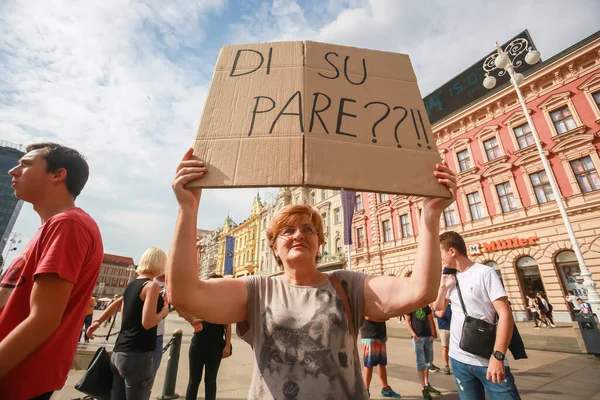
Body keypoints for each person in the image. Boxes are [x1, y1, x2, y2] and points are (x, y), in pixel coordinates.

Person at [166, 149, 457, 399]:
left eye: (308, 229)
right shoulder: (257, 290)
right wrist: (186, 210)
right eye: (288, 230)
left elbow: (420, 291)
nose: (298, 235)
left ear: (320, 243)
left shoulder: (347, 285)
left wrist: (429, 216)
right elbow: (186, 295)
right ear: (273, 247)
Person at [0, 143, 103, 399]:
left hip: (17, 378)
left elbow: (43, 318)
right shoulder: (53, 226)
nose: (13, 171)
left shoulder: (68, 224)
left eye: (25, 164)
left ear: (58, 174)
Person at [432, 231, 520, 400]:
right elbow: (438, 308)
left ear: (452, 251)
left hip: (488, 360)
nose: (439, 258)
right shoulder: (451, 278)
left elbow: (505, 315)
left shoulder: (484, 273)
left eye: (440, 253)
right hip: (458, 360)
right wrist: (443, 287)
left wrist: (498, 356)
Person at [87, 247, 170, 400]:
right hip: (138, 354)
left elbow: (118, 304)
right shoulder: (152, 286)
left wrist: (98, 321)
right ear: (160, 264)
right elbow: (148, 322)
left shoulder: (132, 284)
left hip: (119, 352)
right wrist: (164, 311)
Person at [181, 273, 232, 400]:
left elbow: (228, 326)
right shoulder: (200, 299)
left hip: (215, 347)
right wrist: (193, 320)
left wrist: (227, 346)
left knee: (210, 381)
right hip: (198, 345)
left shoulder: (224, 303)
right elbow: (184, 308)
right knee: (194, 381)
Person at [405, 306, 441, 399]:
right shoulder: (410, 306)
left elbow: (430, 320)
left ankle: (426, 383)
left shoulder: (426, 306)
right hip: (418, 338)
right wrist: (414, 335)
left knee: (428, 362)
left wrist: (433, 334)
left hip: (428, 337)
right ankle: (423, 387)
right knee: (420, 362)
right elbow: (407, 322)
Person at [360, 317, 401, 398]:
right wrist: (382, 317)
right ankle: (365, 391)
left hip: (380, 334)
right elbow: (368, 316)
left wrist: (382, 316)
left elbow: (386, 315)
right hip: (369, 334)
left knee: (381, 363)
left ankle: (386, 388)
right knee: (369, 364)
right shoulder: (366, 304)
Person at [435, 302, 452, 375]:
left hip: (454, 327)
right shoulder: (440, 304)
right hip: (444, 327)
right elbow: (440, 314)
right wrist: (445, 304)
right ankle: (446, 365)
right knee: (445, 347)